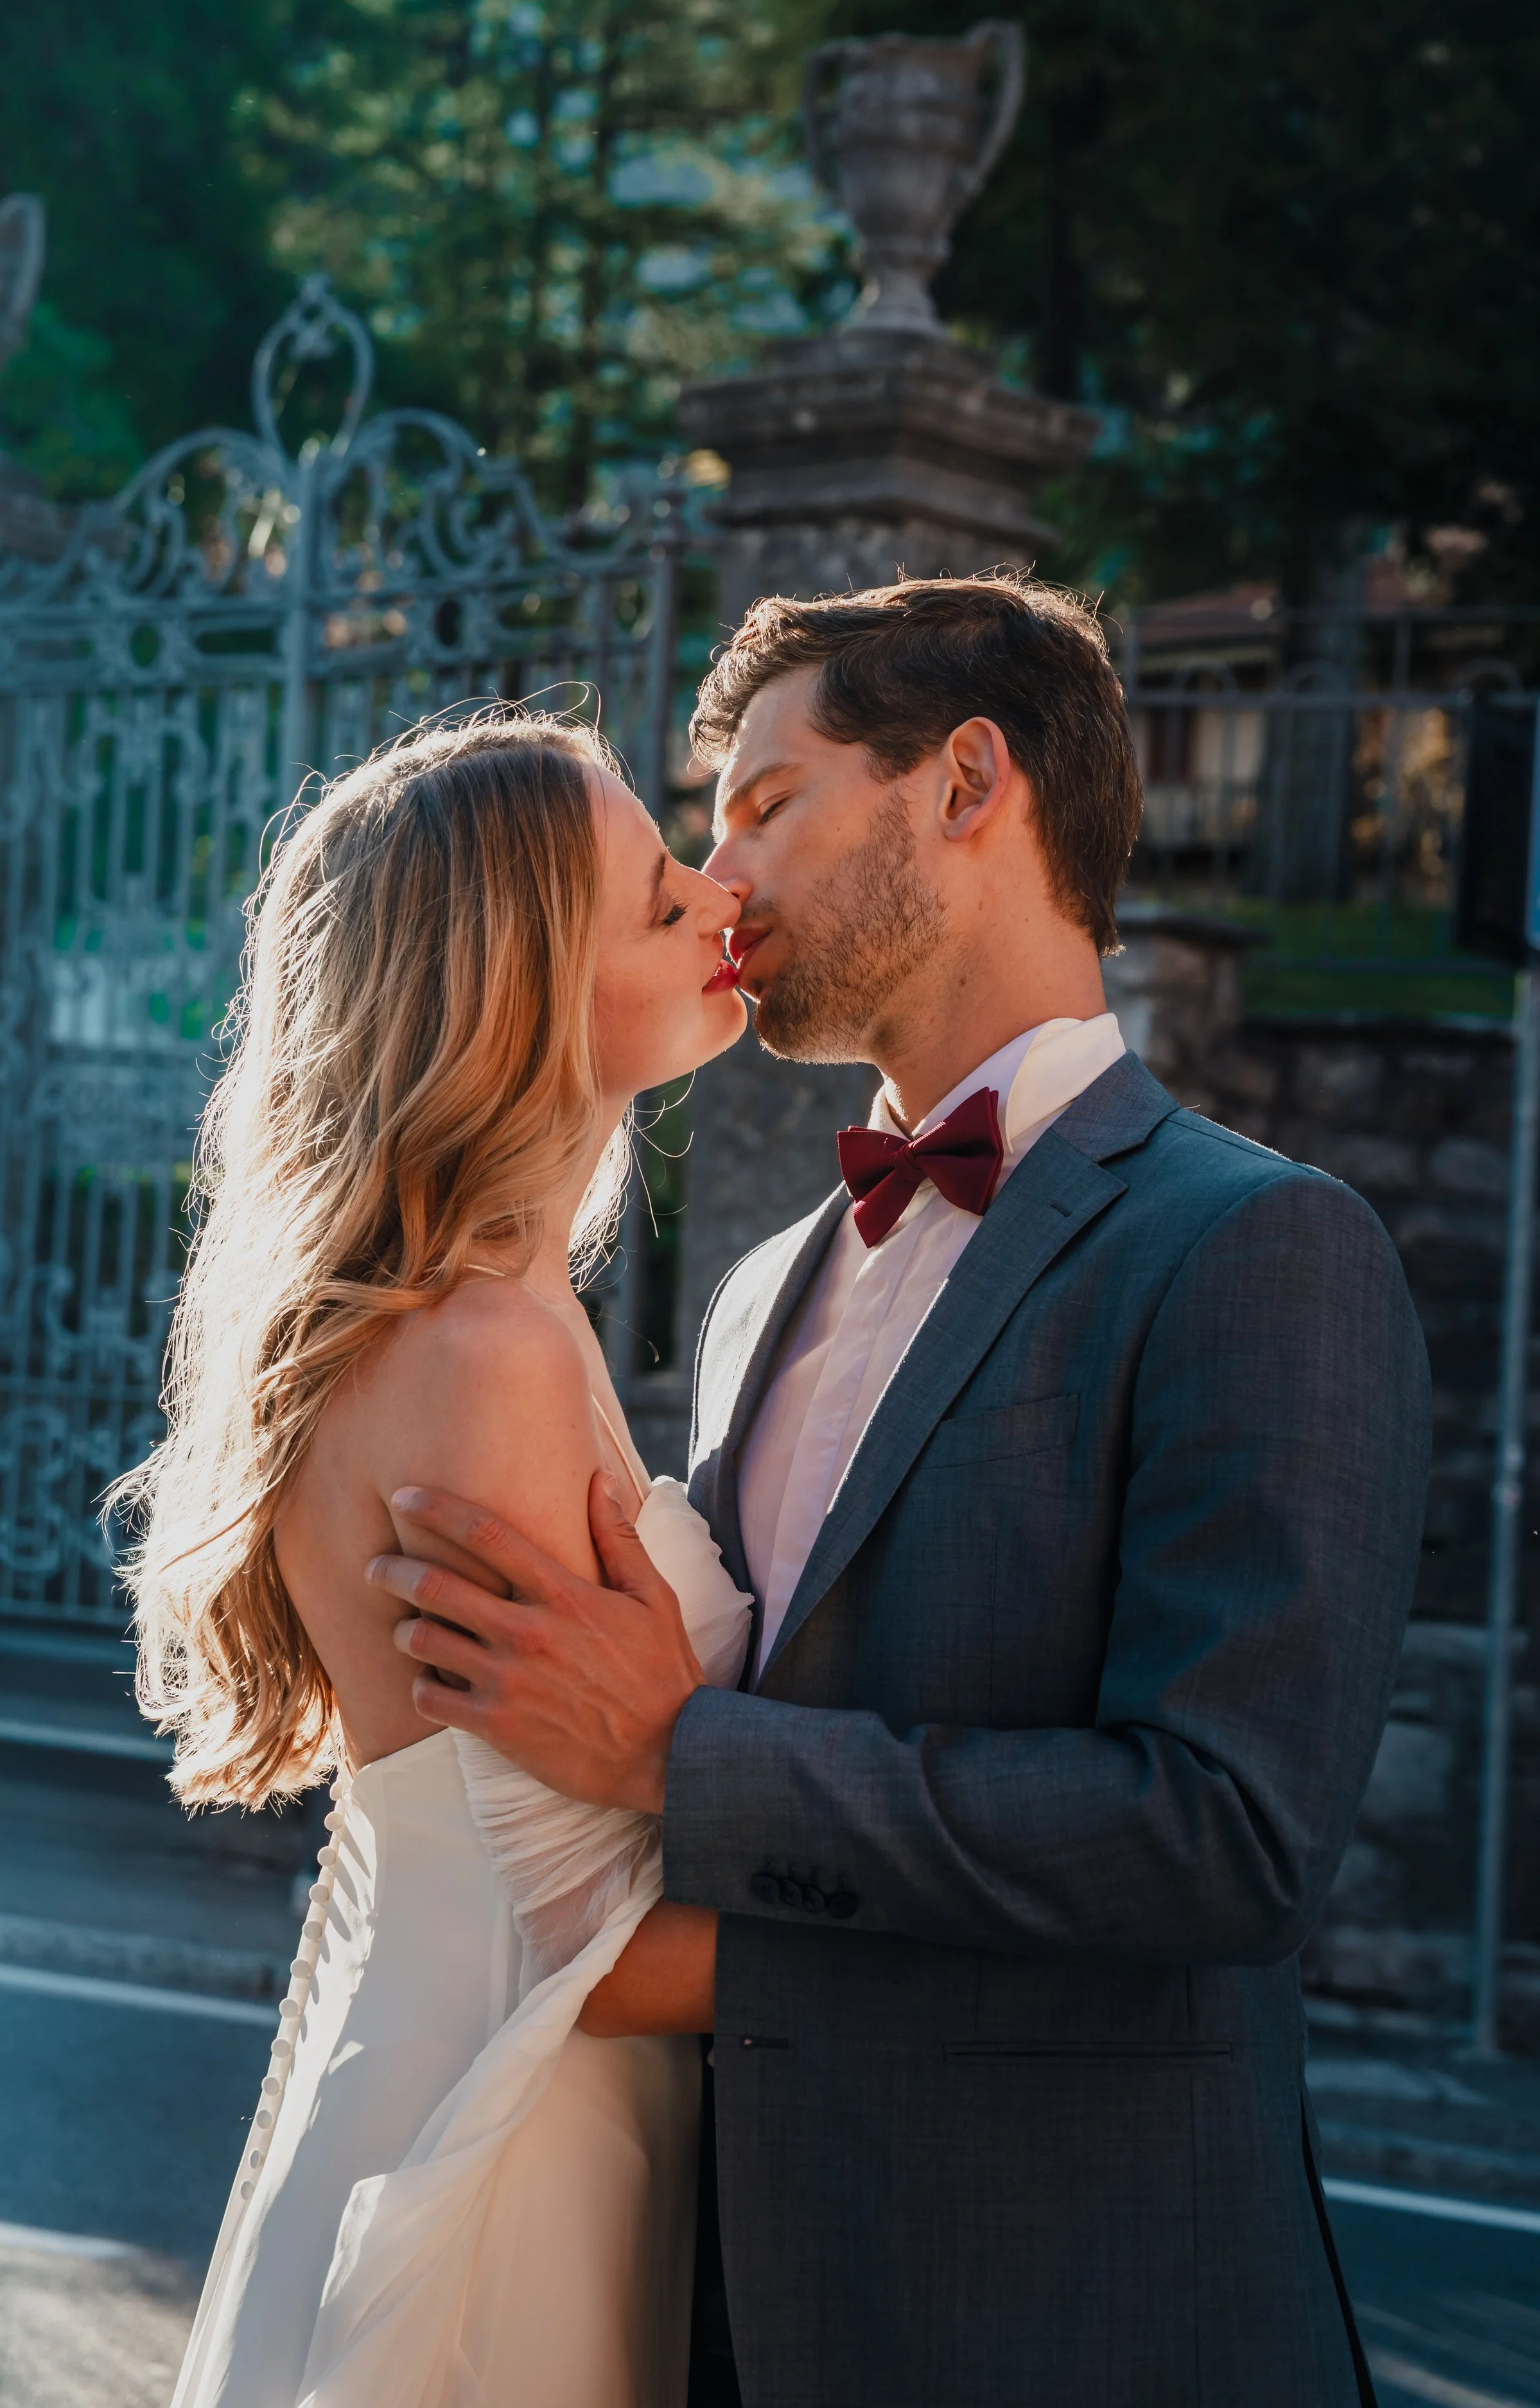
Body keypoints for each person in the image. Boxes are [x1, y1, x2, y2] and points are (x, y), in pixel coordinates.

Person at [370, 573, 1433, 2408]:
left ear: (964, 784)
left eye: (763, 804)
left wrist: (682, 1757)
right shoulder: (760, 1283)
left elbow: (1227, 1833)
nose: (720, 882)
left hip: (1089, 2329)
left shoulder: (1263, 1246)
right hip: (729, 2314)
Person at [117, 713, 757, 2408]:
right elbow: (591, 1951)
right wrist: (980, 1948)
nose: (718, 895)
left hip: (428, 2059)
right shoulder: (484, 1353)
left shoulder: (472, 1316)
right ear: (516, 987)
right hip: (511, 2130)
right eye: (654, 893)